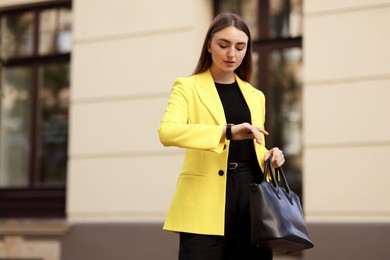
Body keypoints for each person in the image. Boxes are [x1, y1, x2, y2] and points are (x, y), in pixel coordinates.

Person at [158, 13, 285, 260]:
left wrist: (271, 156)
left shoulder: (255, 95)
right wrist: (226, 132)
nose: (232, 54)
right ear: (209, 45)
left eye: (240, 47)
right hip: (203, 201)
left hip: (252, 197)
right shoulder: (187, 87)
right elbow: (167, 132)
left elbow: (257, 146)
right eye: (223, 45)